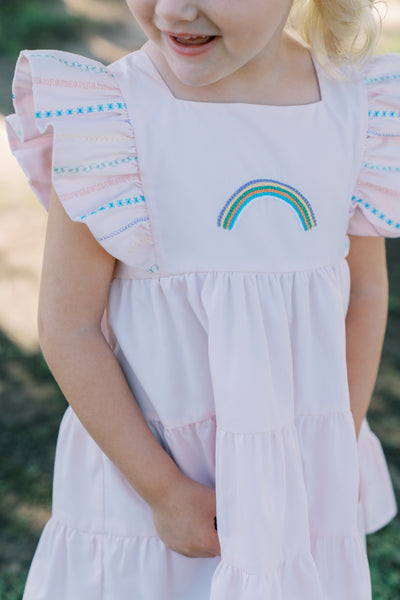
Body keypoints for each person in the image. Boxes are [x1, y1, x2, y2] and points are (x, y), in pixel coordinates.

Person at [5, 0, 400, 598]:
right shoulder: (111, 120)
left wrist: (334, 438)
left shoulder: (353, 109)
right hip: (150, 481)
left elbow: (365, 293)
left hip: (296, 479)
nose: (174, 9)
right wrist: (163, 490)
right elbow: (70, 326)